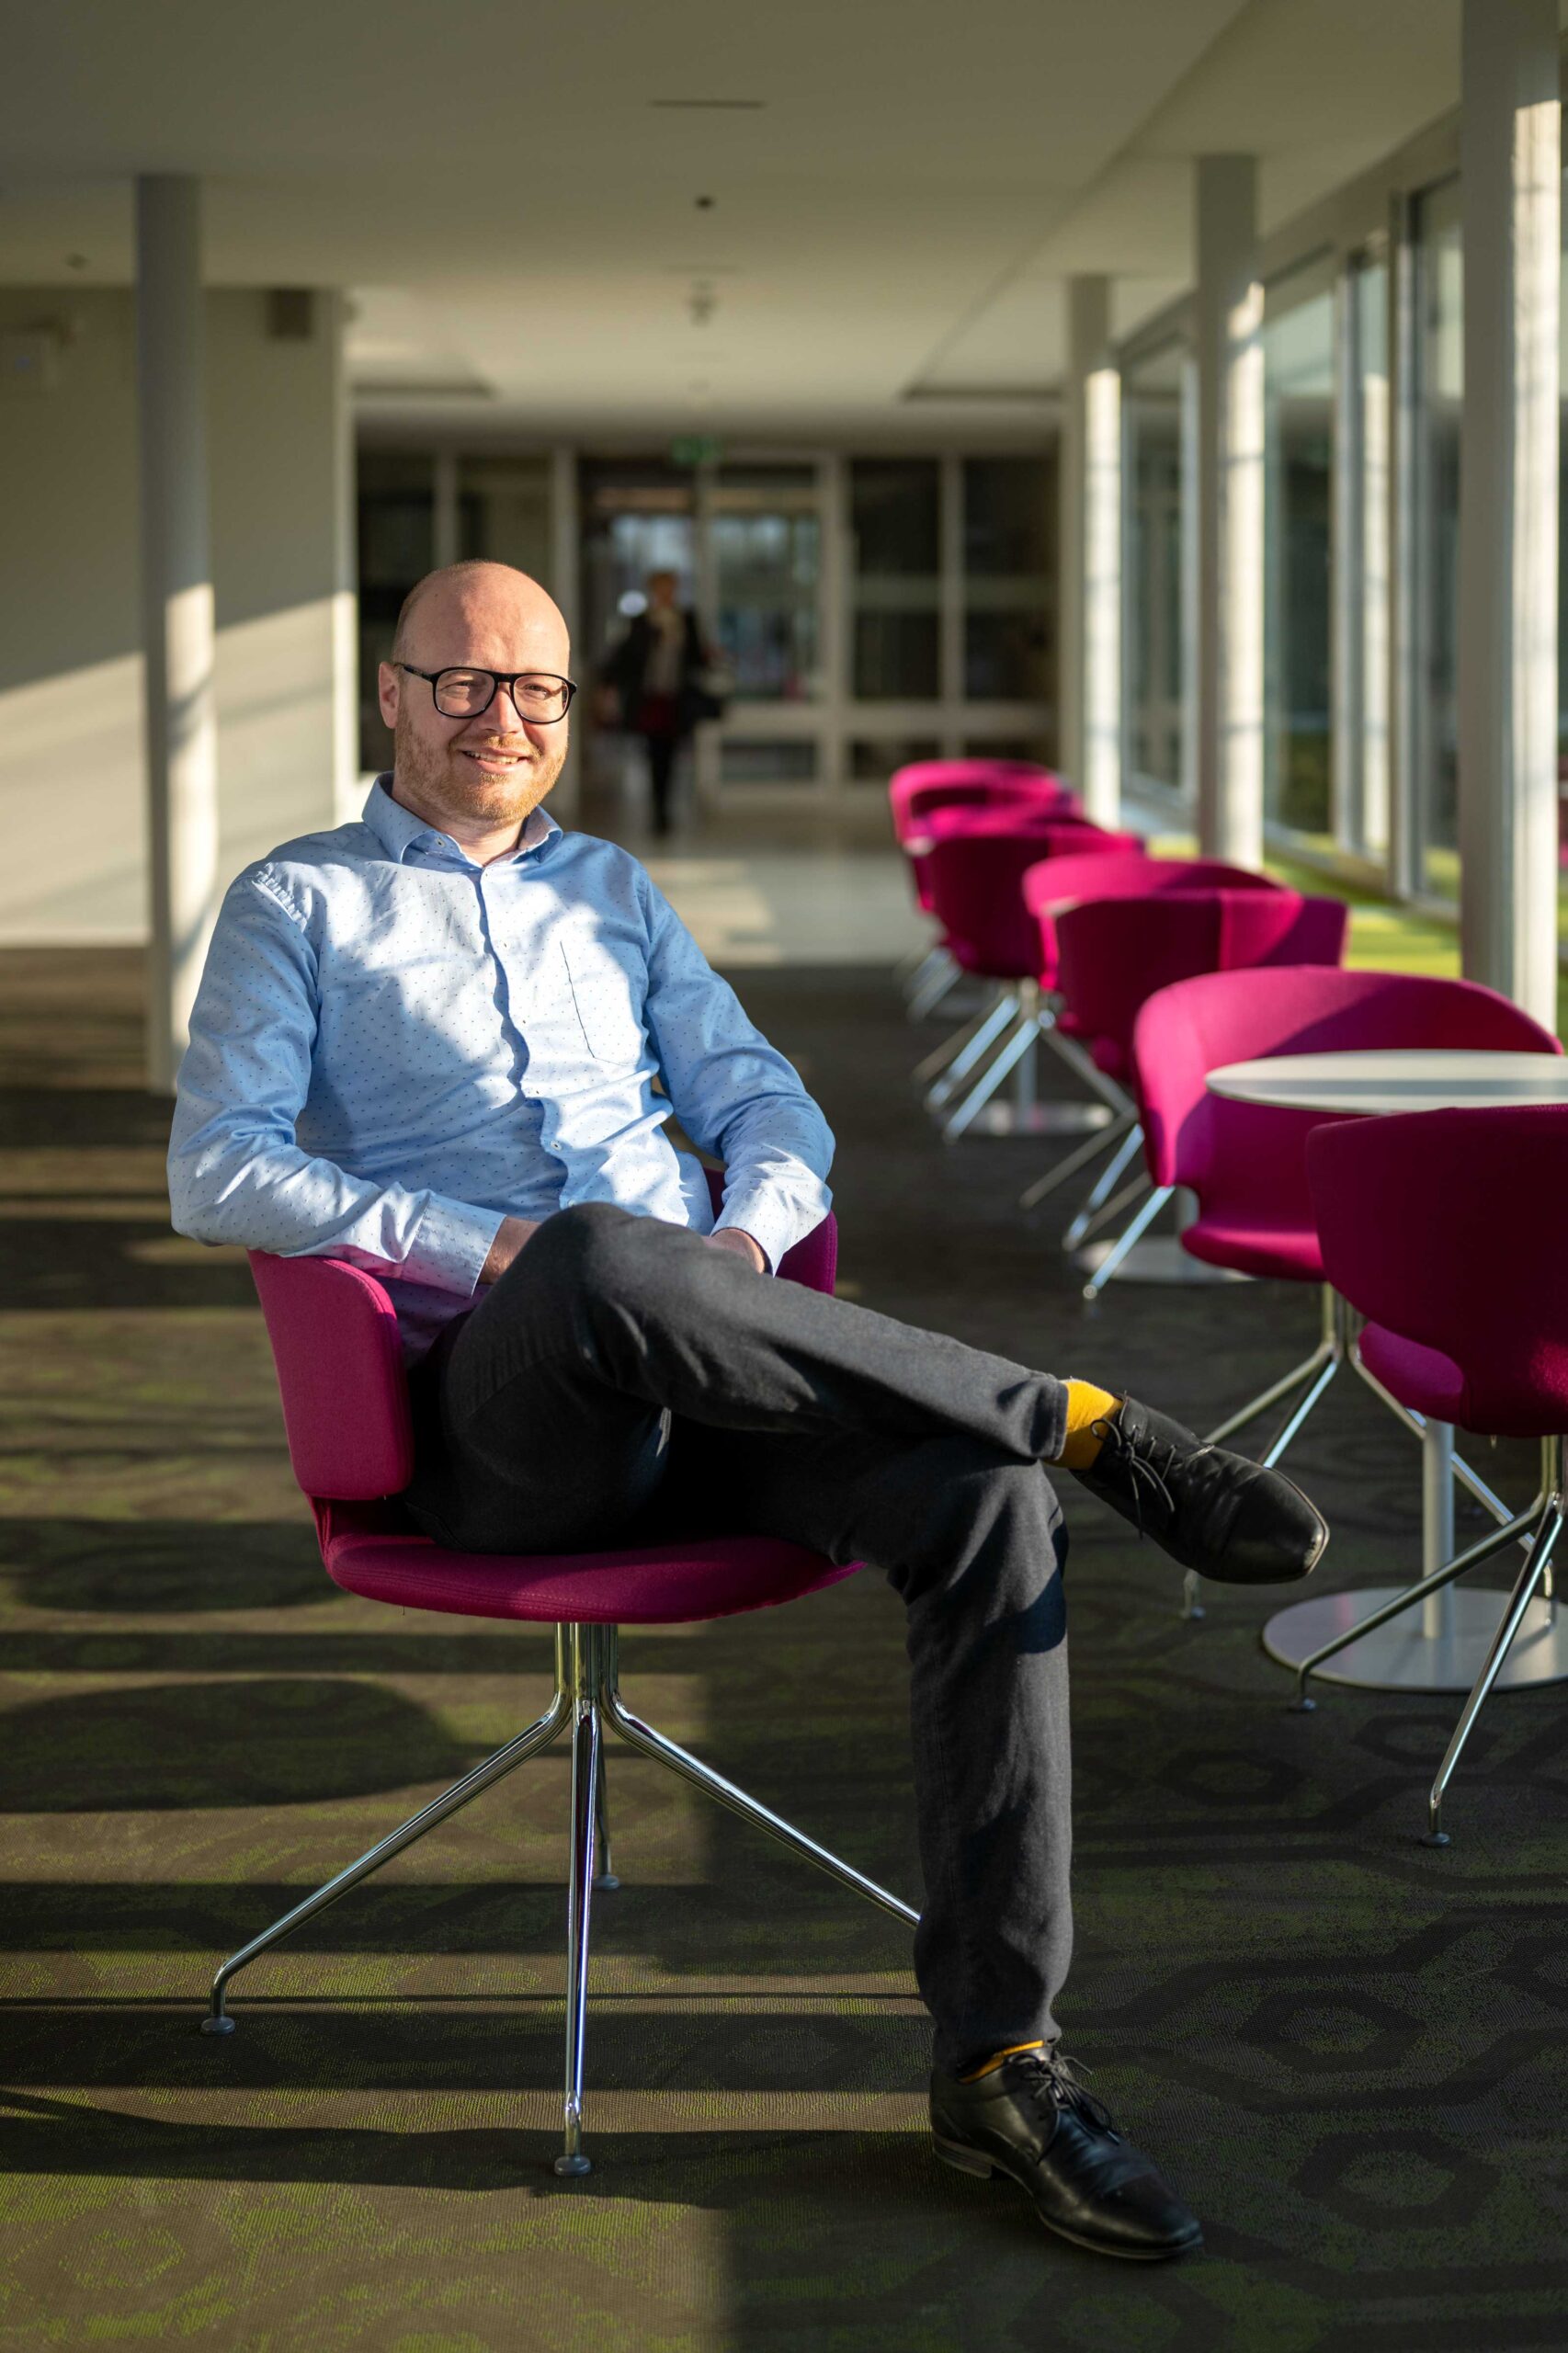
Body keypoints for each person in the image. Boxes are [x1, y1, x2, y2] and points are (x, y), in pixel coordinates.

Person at [168, 559, 1328, 2265]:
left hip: (700, 1364)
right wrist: (493, 1248)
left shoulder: (613, 891)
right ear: (392, 695)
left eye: (536, 688)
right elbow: (216, 1167)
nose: (504, 718)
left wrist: (731, 1252)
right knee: (585, 1252)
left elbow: (769, 1104)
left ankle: (1000, 2061)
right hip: (493, 1429)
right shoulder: (300, 901)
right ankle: (1079, 1417)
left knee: (983, 1506)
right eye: (464, 682)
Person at [601, 566, 710, 835]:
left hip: (676, 698)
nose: (665, 593)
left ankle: (666, 808)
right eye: (660, 588)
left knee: (671, 755)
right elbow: (627, 657)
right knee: (653, 753)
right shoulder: (641, 621)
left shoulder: (686, 619)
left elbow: (696, 658)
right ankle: (657, 810)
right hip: (650, 698)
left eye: (669, 587)